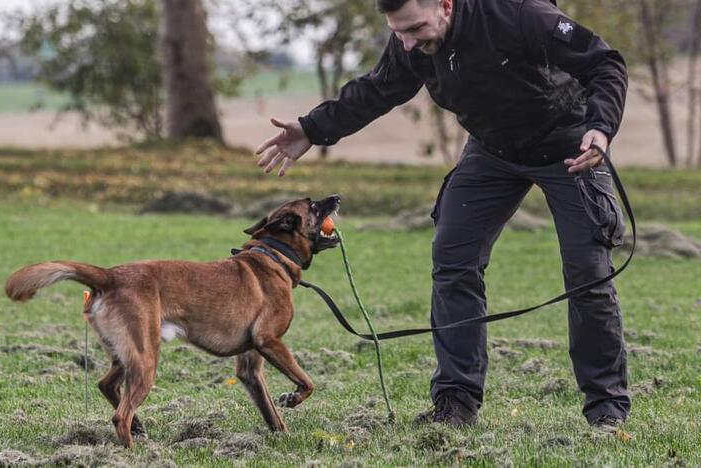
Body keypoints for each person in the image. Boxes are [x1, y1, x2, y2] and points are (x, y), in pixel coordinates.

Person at [255, 0, 629, 429]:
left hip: (570, 148)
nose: (408, 42)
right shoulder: (410, 41)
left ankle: (606, 410)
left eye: (415, 28)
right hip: (493, 152)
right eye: (399, 32)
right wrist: (312, 127)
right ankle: (456, 404)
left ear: (446, 5)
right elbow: (378, 89)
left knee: (588, 273)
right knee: (453, 262)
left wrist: (600, 128)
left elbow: (605, 64)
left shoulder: (520, 15)